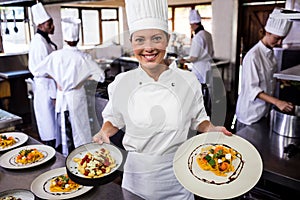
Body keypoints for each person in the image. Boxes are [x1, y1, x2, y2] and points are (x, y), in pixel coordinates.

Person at [93, 0, 232, 199]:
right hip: (136, 179)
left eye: (156, 38)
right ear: (132, 43)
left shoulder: (188, 80)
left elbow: (198, 119)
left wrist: (211, 129)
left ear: (167, 40)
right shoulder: (122, 82)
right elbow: (114, 119)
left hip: (177, 177)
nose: (148, 48)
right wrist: (104, 132)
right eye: (140, 40)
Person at [34, 17, 105, 156]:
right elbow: (100, 76)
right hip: (76, 95)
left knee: (64, 127)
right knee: (80, 129)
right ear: (78, 39)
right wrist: (83, 79)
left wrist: (56, 79)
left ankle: (66, 157)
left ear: (65, 39)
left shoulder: (56, 56)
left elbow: (37, 71)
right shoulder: (83, 57)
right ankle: (82, 158)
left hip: (62, 96)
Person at [235, 8, 294, 131]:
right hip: (249, 114)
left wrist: (280, 81)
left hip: (263, 111)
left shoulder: (270, 53)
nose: (280, 42)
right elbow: (253, 90)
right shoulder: (253, 56)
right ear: (267, 33)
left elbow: (268, 76)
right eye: (277, 38)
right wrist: (278, 102)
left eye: (282, 38)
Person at [28, 2, 59, 148]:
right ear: (40, 25)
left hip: (48, 85)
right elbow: (42, 69)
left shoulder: (44, 40)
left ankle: (53, 146)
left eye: (51, 23)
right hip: (45, 87)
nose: (52, 26)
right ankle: (51, 149)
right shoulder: (38, 43)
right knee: (48, 122)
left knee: (51, 122)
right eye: (49, 24)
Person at [179, 9, 215, 116]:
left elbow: (193, 57)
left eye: (191, 25)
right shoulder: (208, 34)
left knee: (198, 92)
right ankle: (207, 111)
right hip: (208, 67)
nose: (190, 27)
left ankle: (199, 112)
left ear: (194, 24)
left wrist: (183, 60)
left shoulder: (198, 37)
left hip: (200, 69)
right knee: (206, 91)